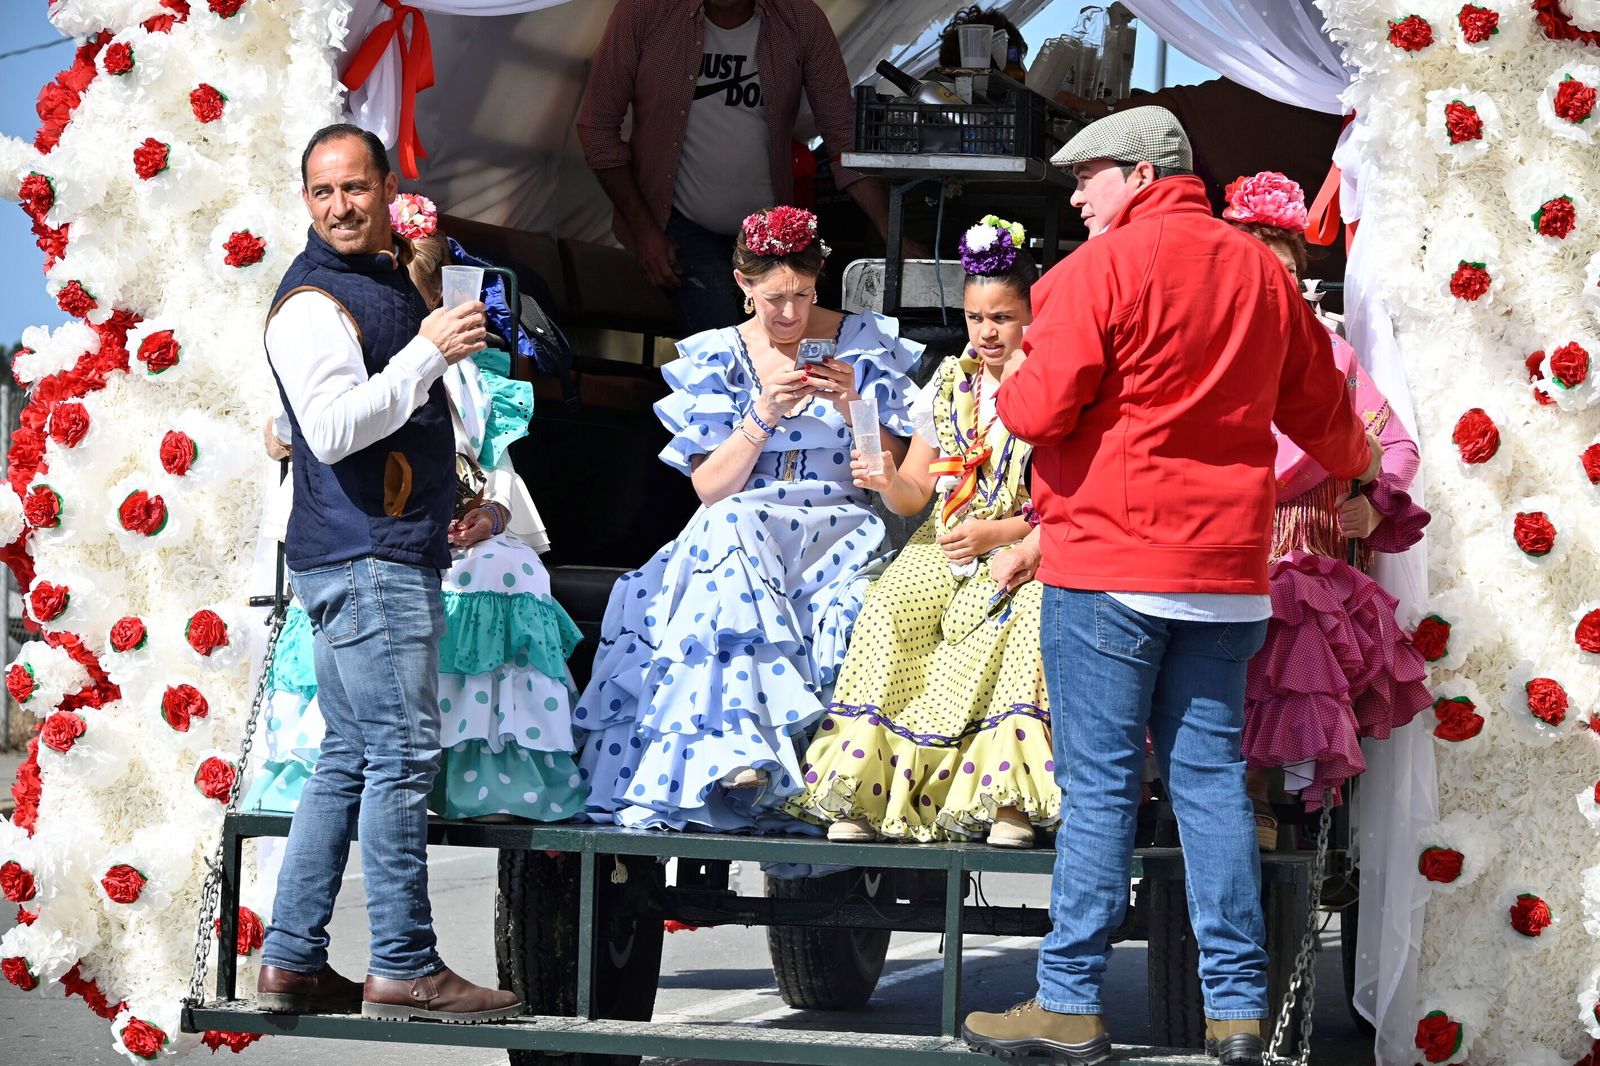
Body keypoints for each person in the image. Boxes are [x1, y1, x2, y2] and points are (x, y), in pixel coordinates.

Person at [959, 108, 1383, 1066]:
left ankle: (1069, 1004)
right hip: (1229, 576)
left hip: (1109, 566)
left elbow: (1033, 410)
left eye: (1087, 178)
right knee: (1212, 791)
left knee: (1103, 792)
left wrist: (1019, 369)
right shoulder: (1263, 277)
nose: (1075, 197)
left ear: (1142, 175)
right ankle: (1235, 1014)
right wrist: (1360, 474)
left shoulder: (1089, 275)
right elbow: (1334, 424)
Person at [256, 123, 521, 1024]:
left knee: (348, 760)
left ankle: (290, 961)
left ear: (384, 188)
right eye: (324, 192)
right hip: (365, 562)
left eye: (355, 188)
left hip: (370, 552)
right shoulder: (311, 302)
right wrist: (427, 352)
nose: (341, 205)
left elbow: (311, 428)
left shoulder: (370, 286)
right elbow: (330, 429)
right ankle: (405, 962)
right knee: (401, 756)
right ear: (306, 201)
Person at [574, 205, 922, 832]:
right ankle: (732, 753)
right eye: (774, 299)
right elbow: (710, 486)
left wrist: (852, 406)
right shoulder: (718, 355)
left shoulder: (865, 341)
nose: (790, 314)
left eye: (804, 296)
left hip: (836, 525)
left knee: (734, 533)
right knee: (728, 525)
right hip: (742, 527)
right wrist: (761, 415)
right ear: (742, 285)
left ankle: (782, 765)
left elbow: (897, 469)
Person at [248, 192, 585, 825]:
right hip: (373, 535)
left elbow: (497, 470)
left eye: (421, 297)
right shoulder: (350, 345)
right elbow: (312, 423)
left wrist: (491, 516)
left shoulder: (472, 375)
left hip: (456, 532)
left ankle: (486, 772)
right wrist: (277, 432)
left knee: (504, 572)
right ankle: (354, 778)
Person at [786, 215, 1055, 849]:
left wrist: (1001, 535)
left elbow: (1064, 500)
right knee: (886, 609)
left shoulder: (1051, 385)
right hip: (944, 536)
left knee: (1028, 620)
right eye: (974, 318)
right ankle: (863, 790)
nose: (986, 333)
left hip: (1025, 541)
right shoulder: (949, 383)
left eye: (1002, 318)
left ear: (1032, 316)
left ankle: (1006, 800)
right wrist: (884, 479)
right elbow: (914, 493)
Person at [1220, 172, 1430, 841]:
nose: (1274, 281)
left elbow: (1395, 445)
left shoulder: (1333, 356)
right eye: (1259, 267)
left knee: (1298, 605)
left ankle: (1282, 802)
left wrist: (1374, 502)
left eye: (1286, 268)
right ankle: (1239, 796)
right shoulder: (1210, 354)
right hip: (1224, 551)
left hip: (1307, 557)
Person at [576, 0, 897, 338]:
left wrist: (892, 232)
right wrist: (645, 233)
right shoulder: (645, 12)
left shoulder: (800, 19)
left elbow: (842, 133)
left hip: (769, 229)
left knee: (795, 332)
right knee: (726, 337)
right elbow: (596, 128)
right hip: (678, 223)